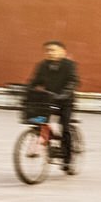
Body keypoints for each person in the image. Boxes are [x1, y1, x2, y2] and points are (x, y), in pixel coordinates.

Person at [26, 40, 79, 173]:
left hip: (65, 100)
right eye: (47, 50)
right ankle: (46, 142)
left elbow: (73, 81)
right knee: (40, 121)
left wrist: (65, 93)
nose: (50, 53)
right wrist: (27, 90)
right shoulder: (42, 65)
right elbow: (34, 81)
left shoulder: (69, 65)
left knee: (65, 127)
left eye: (53, 50)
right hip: (48, 100)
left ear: (63, 52)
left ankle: (68, 160)